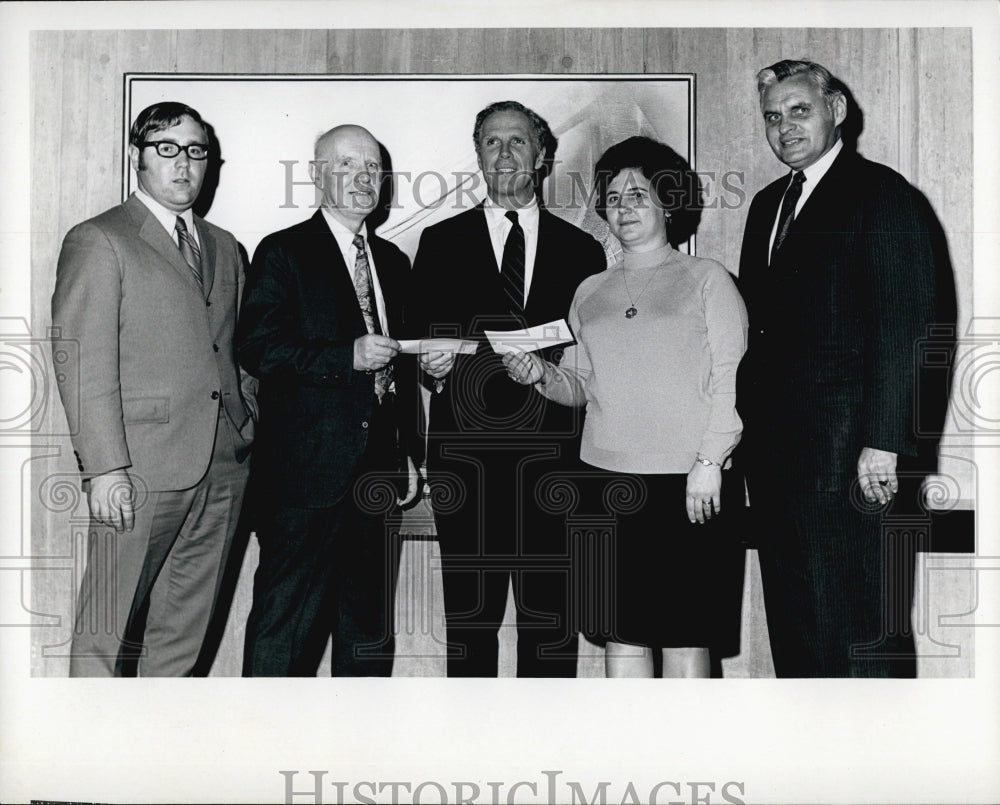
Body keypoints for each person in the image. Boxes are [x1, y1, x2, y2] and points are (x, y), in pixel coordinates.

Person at [504, 136, 748, 677]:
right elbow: (581, 385)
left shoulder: (708, 278)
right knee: (620, 635)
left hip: (690, 485)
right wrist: (542, 376)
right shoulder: (589, 289)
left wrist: (710, 463)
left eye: (638, 194)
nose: (624, 207)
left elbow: (733, 376)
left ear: (668, 202)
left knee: (685, 637)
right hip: (603, 485)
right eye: (613, 198)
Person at [736, 60, 939, 677]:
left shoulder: (882, 195)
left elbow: (909, 328)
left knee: (858, 631)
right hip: (775, 460)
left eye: (799, 110)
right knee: (797, 628)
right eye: (773, 116)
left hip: (850, 457)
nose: (785, 127)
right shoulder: (767, 205)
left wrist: (884, 442)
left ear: (837, 110)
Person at [51, 101, 258, 676]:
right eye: (167, 149)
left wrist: (246, 419)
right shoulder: (100, 239)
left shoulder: (224, 245)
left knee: (182, 638)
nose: (183, 164)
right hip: (138, 470)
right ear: (136, 157)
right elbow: (82, 363)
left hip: (222, 465)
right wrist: (105, 468)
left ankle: (160, 733)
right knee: (106, 633)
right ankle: (83, 737)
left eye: (196, 151)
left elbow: (236, 348)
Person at [407, 100, 606, 676]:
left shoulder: (583, 250)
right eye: (491, 142)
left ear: (542, 155)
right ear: (477, 155)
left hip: (556, 462)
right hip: (466, 460)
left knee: (551, 627)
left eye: (517, 141)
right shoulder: (440, 242)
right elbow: (420, 346)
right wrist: (431, 368)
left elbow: (592, 359)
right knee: (470, 628)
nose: (503, 153)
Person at [238, 124, 419, 677]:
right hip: (303, 478)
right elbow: (258, 347)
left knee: (366, 631)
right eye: (347, 165)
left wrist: (408, 450)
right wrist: (346, 356)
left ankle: (355, 732)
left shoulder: (393, 261)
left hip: (377, 474)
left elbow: (398, 369)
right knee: (284, 630)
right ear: (318, 176)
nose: (363, 178)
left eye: (372, 168)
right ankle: (263, 733)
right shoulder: (284, 251)